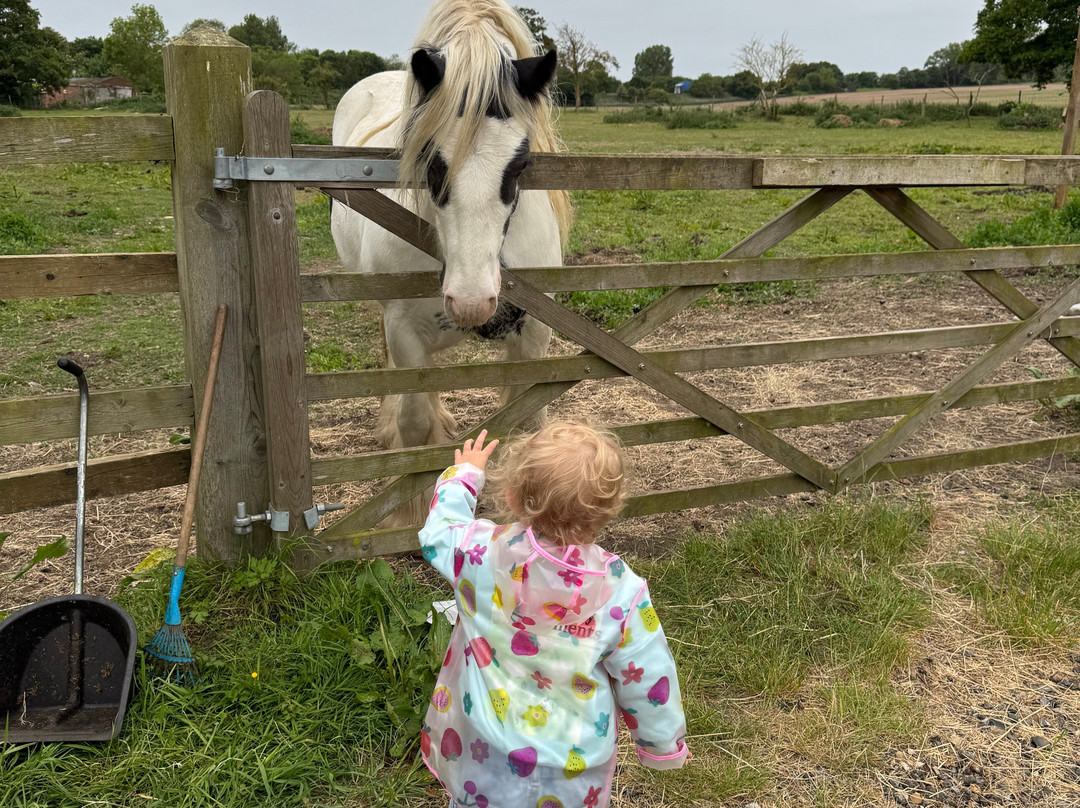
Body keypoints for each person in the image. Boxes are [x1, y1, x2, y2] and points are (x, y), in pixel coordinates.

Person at [418, 421, 689, 808]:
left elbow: (439, 531)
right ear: (607, 511)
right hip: (573, 765)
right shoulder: (622, 591)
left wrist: (464, 475)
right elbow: (648, 674)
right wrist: (661, 742)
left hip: (486, 751)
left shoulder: (477, 554)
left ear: (512, 496)